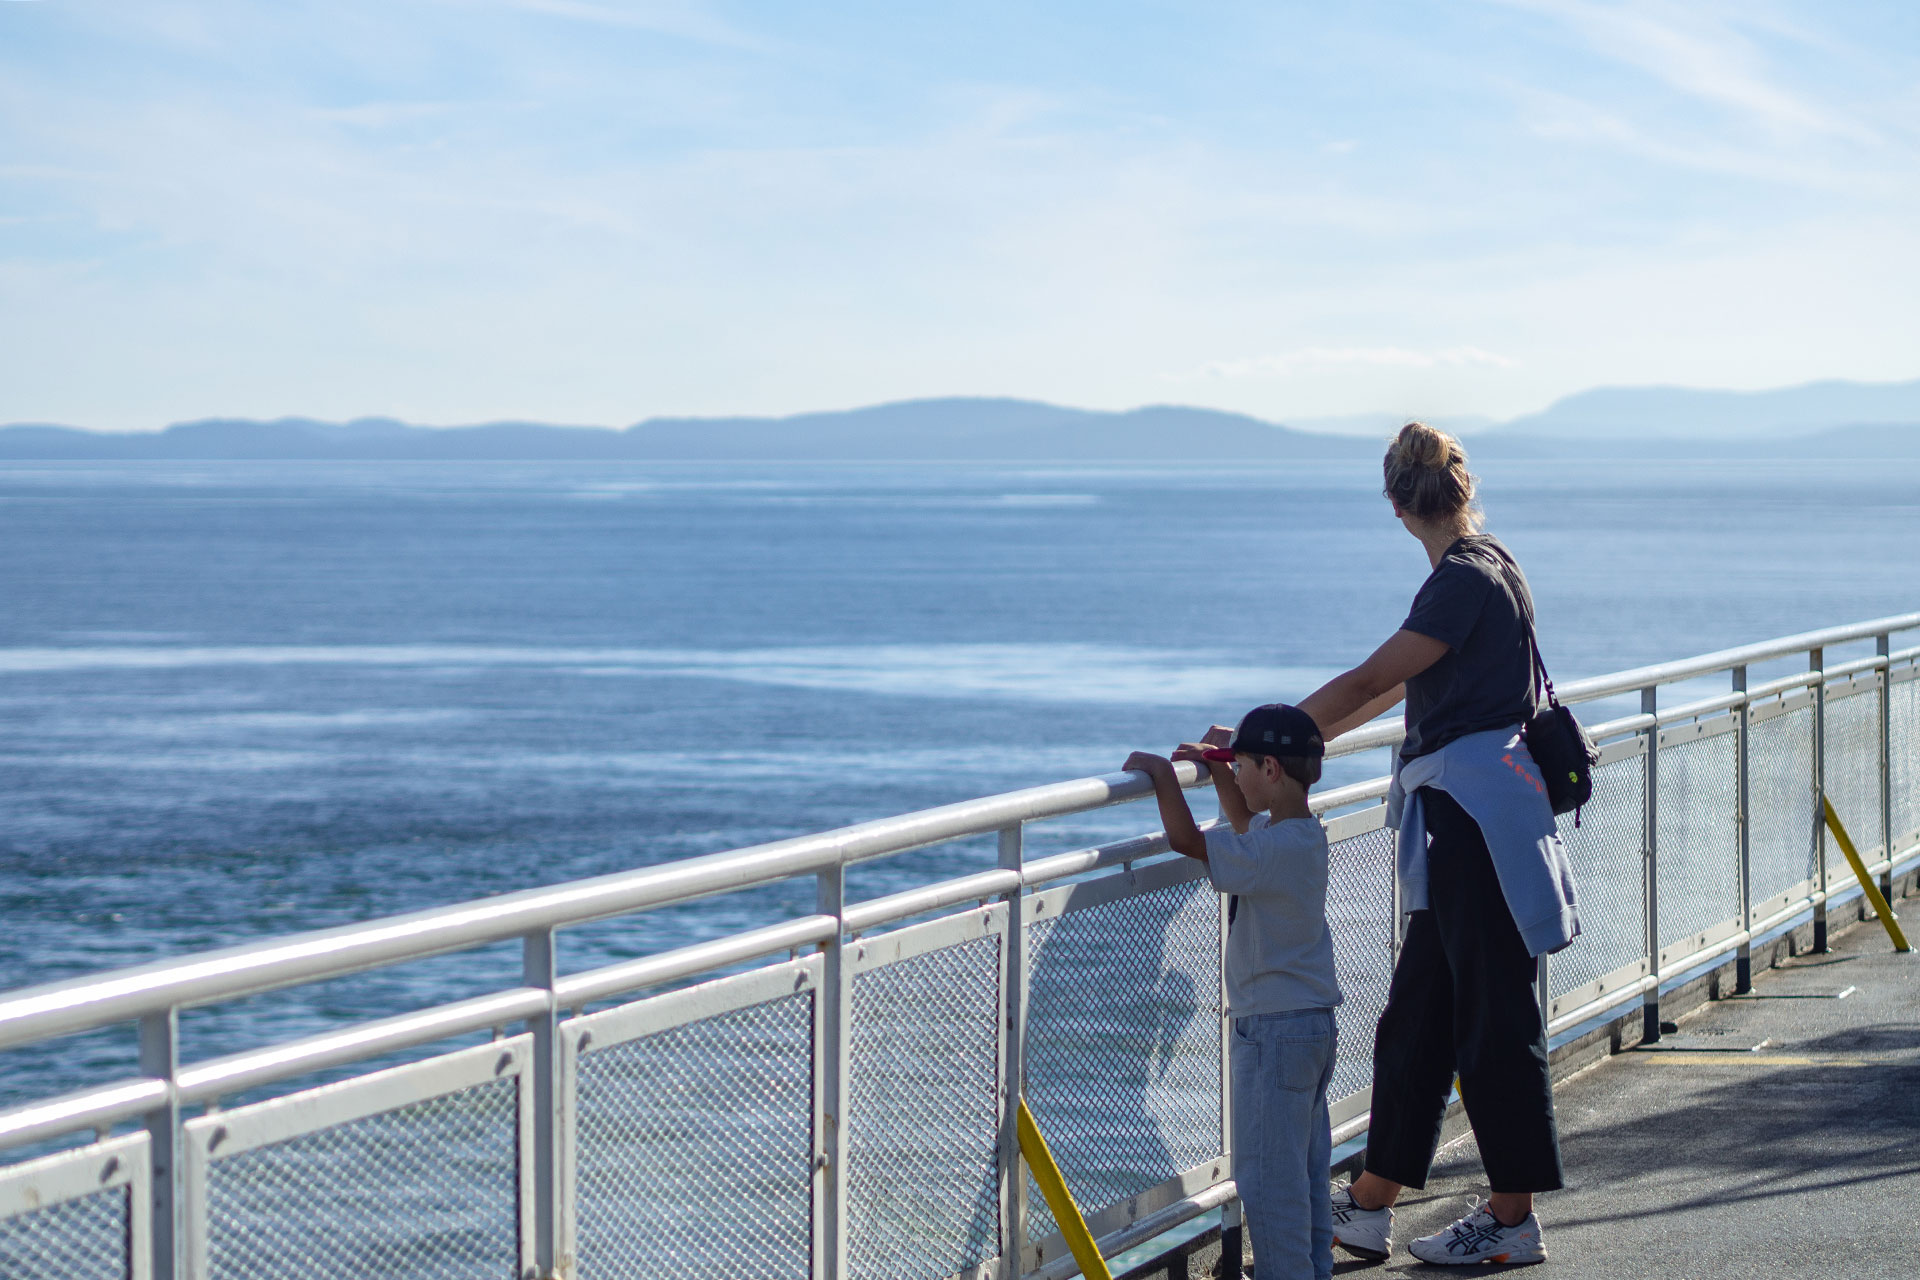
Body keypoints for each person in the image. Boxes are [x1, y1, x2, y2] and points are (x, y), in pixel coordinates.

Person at [1280, 421, 1576, 1267]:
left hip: (1474, 823)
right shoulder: (1491, 565)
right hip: (1473, 818)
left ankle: (1512, 1220)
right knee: (1420, 1020)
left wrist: (1267, 741)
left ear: (1398, 505)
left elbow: (1371, 680)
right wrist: (1284, 740)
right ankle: (1370, 1204)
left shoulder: (1460, 582)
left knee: (1491, 1020)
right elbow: (1393, 688)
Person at [1124, 703, 1343, 1280]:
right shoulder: (1298, 834)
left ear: (1270, 769)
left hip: (1273, 1032)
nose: (1236, 775)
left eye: (1242, 765)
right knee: (1305, 1173)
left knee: (1268, 1184)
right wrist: (1221, 767)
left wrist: (1164, 776)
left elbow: (1187, 842)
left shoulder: (1274, 849)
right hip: (1312, 1026)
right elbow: (1243, 822)